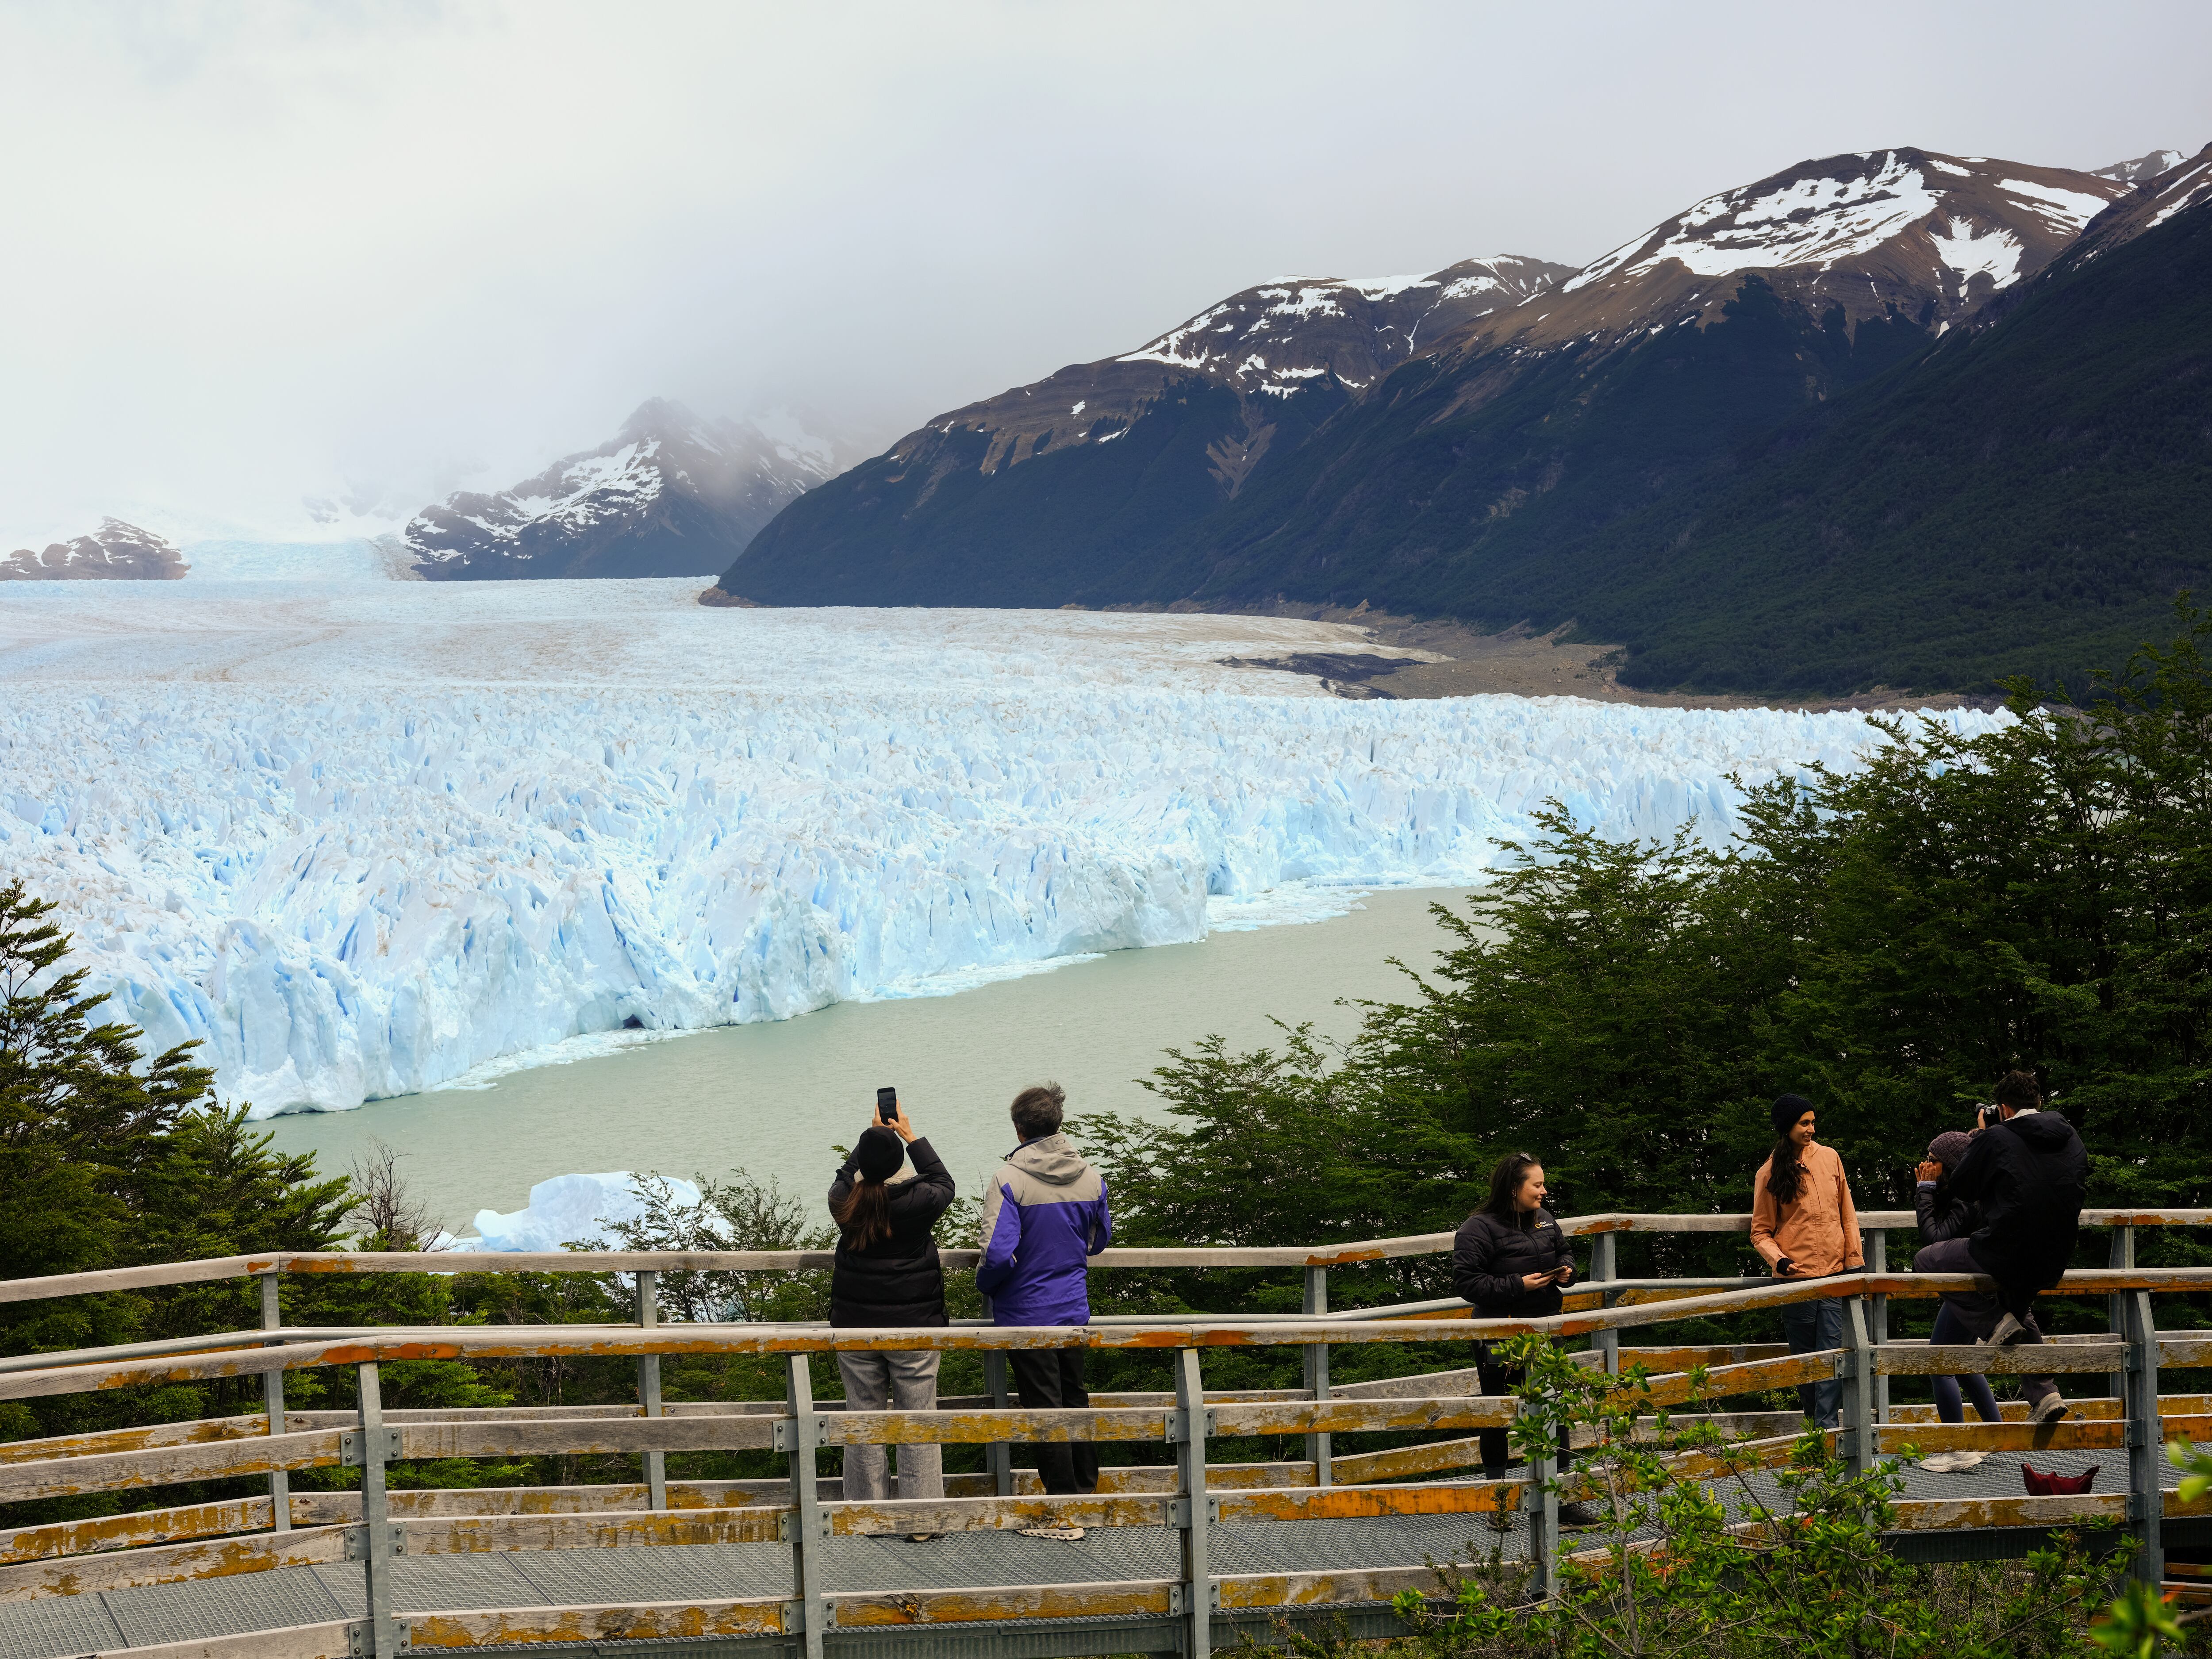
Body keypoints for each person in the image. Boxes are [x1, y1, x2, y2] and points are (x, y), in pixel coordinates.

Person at [978, 1081, 1112, 1540]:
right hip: (1072, 1307)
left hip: (1025, 1311)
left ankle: (1062, 1515)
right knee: (1073, 1397)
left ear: (1018, 1129)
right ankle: (1084, 1499)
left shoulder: (1009, 1180)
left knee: (1043, 1407)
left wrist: (986, 1286)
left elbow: (997, 1254)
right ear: (1057, 1124)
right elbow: (1098, 1240)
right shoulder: (1091, 1176)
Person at [1913, 1071, 2084, 1427]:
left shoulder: (1998, 1137)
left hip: (2005, 1253)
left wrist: (1984, 1134)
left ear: (2004, 1109)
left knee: (1926, 1260)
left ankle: (1993, 1323)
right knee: (2019, 1307)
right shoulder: (2071, 1137)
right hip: (2054, 1258)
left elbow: (1965, 1184)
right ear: (2037, 1103)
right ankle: (2046, 1394)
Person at [1452, 1152, 1604, 1529]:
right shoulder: (1477, 1228)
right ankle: (1498, 1503)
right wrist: (1516, 1286)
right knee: (1498, 1415)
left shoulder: (1544, 1219)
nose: (1544, 1191)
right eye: (1537, 1185)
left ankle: (1562, 1504)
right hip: (1499, 1333)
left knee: (1555, 1411)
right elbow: (1467, 1284)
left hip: (1546, 1329)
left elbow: (1564, 1251)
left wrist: (1568, 1272)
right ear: (1514, 1187)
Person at [826, 1099, 955, 1535]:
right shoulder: (920, 1200)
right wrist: (908, 1135)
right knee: (918, 1421)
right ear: (898, 1163)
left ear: (864, 1163)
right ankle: (920, 1521)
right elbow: (944, 1180)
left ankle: (867, 1520)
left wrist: (869, 1142)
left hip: (856, 1328)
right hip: (914, 1327)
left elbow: (844, 1178)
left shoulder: (845, 1203)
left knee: (863, 1418)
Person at [1750, 1093, 1863, 1430]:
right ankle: (1817, 1432)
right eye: (1805, 1123)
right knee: (1805, 1363)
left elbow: (1848, 1214)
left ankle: (1826, 1433)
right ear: (1787, 1128)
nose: (1812, 1129)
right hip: (1796, 1279)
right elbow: (1760, 1232)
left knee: (1831, 1359)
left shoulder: (1830, 1158)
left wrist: (1855, 1260)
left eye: (1813, 1122)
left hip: (1834, 1275)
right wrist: (1780, 1261)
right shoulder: (1769, 1173)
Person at [1910, 1129, 2007, 1471]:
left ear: (1949, 1164)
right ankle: (1999, 1438)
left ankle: (1957, 1449)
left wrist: (1924, 1192)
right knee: (1961, 1364)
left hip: (1969, 1285)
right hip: (1973, 1283)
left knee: (1940, 1363)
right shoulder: (1963, 1193)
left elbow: (1932, 1239)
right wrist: (1933, 1192)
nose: (1927, 1165)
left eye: (1933, 1160)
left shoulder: (1966, 1201)